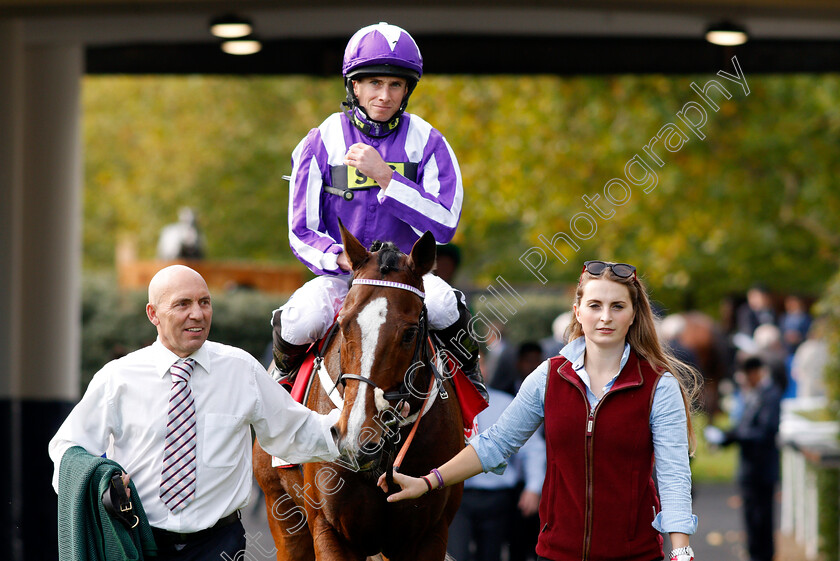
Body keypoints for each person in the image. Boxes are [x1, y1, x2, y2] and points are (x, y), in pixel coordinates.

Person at [380, 260, 702, 561]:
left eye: (617, 306)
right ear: (578, 311)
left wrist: (681, 553)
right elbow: (495, 444)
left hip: (636, 556)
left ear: (633, 314)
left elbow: (673, 477)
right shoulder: (549, 376)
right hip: (556, 554)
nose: (605, 317)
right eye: (595, 305)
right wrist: (428, 482)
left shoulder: (659, 386)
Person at [49, 265, 340, 560]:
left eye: (204, 302)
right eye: (182, 304)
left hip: (220, 546)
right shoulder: (117, 378)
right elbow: (67, 447)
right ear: (153, 314)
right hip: (138, 541)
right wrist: (100, 481)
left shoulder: (242, 370)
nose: (198, 314)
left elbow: (295, 430)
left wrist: (361, 433)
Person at [273, 21, 487, 401]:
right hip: (343, 279)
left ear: (407, 90)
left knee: (445, 307)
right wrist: (341, 260)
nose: (384, 95)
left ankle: (469, 391)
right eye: (374, 83)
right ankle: (277, 392)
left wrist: (388, 179)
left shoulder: (430, 142)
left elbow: (443, 226)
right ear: (354, 85)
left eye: (395, 85)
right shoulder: (320, 141)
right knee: (299, 320)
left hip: (409, 280)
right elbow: (300, 231)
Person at [447, 384, 545, 561]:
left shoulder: (507, 402)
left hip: (498, 498)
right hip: (457, 495)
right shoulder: (446, 402)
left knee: (492, 556)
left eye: (480, 361)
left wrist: (533, 486)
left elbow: (532, 448)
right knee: (455, 556)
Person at [705, 356, 782, 561]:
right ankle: (754, 553)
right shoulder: (755, 394)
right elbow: (745, 428)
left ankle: (762, 555)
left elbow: (764, 432)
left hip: (762, 468)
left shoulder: (770, 395)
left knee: (761, 518)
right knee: (750, 517)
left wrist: (733, 436)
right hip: (750, 468)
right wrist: (726, 437)